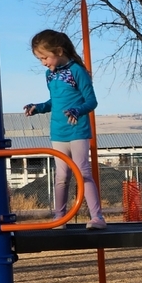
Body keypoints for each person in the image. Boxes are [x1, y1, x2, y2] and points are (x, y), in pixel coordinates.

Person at [24, 29, 106, 230]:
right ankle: (60, 217)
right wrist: (39, 107)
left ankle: (97, 217)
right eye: (40, 59)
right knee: (61, 176)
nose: (43, 62)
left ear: (59, 51)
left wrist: (78, 110)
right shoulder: (50, 75)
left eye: (45, 57)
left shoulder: (77, 71)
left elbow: (91, 101)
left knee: (82, 172)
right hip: (58, 132)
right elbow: (55, 101)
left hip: (77, 130)